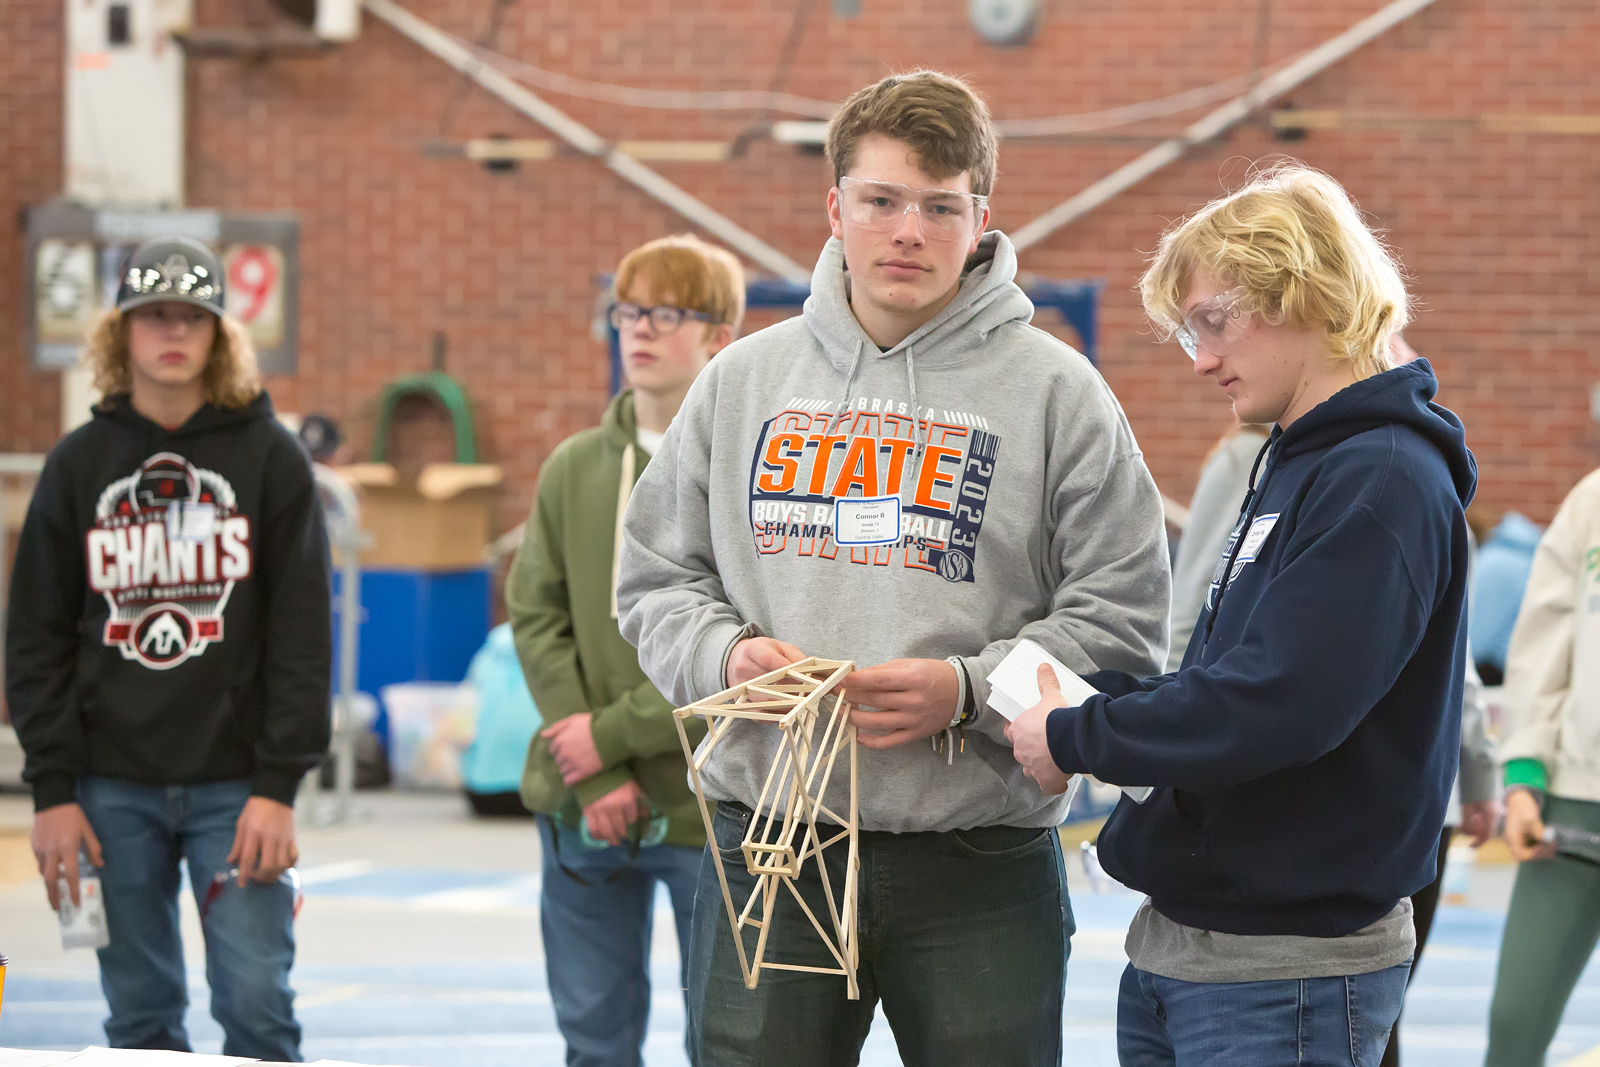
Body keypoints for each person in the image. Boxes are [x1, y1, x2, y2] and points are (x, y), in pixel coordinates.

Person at [617, 70, 1170, 1066]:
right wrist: (724, 658)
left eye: (939, 207)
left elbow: (1123, 618)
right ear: (835, 208)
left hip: (979, 859)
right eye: (881, 200)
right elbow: (655, 576)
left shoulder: (1061, 395)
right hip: (771, 846)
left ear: (980, 219)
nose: (909, 231)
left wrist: (970, 689)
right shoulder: (741, 381)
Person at [1007, 164, 1477, 1067]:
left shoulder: (1380, 479)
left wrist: (1080, 734)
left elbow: (1280, 702)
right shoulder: (1299, 462)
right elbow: (1235, 672)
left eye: (1214, 322)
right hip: (1199, 941)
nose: (1200, 358)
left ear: (1300, 293)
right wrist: (1101, 697)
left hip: (1283, 968)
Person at [7, 235, 331, 1059]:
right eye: (154, 314)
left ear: (220, 333)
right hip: (106, 789)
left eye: (193, 315)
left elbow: (302, 635)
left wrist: (279, 785)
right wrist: (51, 790)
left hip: (239, 789)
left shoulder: (270, 458)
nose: (174, 332)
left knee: (259, 1008)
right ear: (121, 331)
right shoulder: (78, 464)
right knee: (140, 1020)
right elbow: (36, 637)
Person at [505, 234, 745, 1067]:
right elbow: (535, 615)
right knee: (593, 1040)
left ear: (718, 335)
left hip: (708, 803)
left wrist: (611, 736)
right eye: (629, 310)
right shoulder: (574, 467)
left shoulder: (747, 474)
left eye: (667, 312)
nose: (640, 328)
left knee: (722, 1038)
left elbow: (745, 645)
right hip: (583, 799)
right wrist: (593, 767)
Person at [1483, 467, 1600, 1067]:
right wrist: (1525, 775)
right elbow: (1543, 648)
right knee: (1515, 1022)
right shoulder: (1591, 501)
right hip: (1575, 803)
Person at [1166, 421, 1270, 672]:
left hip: (1188, 653)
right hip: (1189, 656)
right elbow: (1207, 577)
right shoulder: (1252, 455)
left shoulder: (1245, 449)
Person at [1469, 510, 1544, 684]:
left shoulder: (1493, 563)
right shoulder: (1524, 554)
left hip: (1499, 671)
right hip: (1528, 668)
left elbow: (1474, 643)